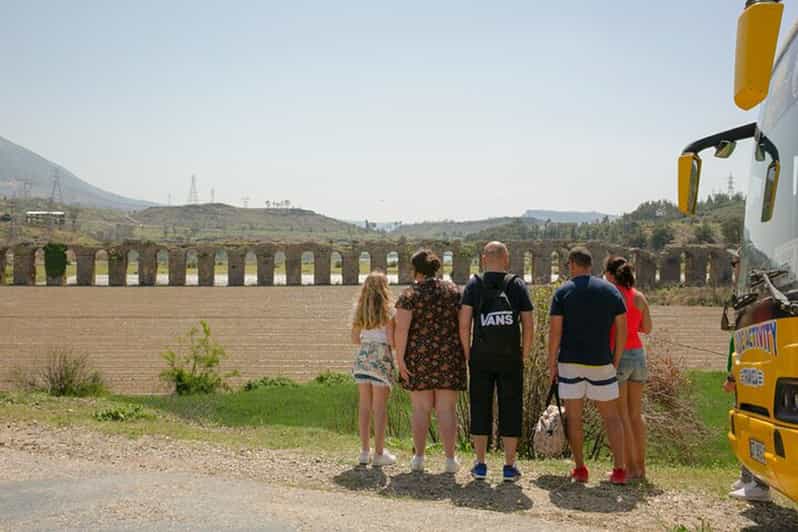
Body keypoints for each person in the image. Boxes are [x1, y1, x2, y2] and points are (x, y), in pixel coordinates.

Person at [548, 246, 628, 485]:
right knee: (611, 418)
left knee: (574, 418)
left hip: (570, 362)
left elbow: (555, 333)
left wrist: (551, 363)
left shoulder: (562, 292)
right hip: (601, 360)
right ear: (590, 265)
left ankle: (581, 468)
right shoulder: (610, 290)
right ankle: (619, 470)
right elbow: (621, 328)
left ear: (572, 264)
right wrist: (616, 358)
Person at [459, 241, 534, 482]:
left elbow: (464, 322)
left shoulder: (474, 284)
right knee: (511, 406)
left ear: (484, 259)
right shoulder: (517, 284)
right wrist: (524, 352)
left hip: (481, 355)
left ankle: (480, 464)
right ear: (506, 258)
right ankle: (509, 466)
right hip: (511, 356)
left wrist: (467, 351)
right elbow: (529, 323)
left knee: (480, 405)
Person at [395, 249, 467, 473]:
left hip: (419, 356)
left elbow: (402, 330)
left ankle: (418, 459)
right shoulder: (454, 291)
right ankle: (449, 460)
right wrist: (466, 355)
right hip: (449, 355)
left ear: (415, 269)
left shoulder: (409, 294)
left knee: (420, 408)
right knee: (446, 409)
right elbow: (463, 325)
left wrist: (401, 359)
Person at [723, 249, 771, 502]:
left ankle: (760, 483)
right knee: (745, 422)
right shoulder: (749, 296)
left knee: (754, 423)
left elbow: (752, 343)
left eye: (736, 263)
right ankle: (748, 475)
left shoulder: (758, 298)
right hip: (745, 369)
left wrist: (733, 375)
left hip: (752, 371)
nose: (733, 268)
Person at [604, 256, 652, 481]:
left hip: (620, 356)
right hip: (639, 356)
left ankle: (628, 468)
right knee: (636, 414)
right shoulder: (639, 297)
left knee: (621, 414)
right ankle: (640, 468)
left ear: (611, 275)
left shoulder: (612, 295)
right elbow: (648, 328)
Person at [351, 271, 397, 467]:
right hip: (381, 359)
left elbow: (354, 338)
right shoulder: (389, 311)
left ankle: (364, 451)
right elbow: (392, 341)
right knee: (380, 408)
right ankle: (379, 453)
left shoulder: (359, 310)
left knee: (364, 406)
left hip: (362, 358)